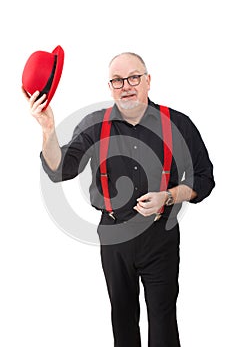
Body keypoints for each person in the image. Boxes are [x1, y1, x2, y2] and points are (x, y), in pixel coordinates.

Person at [22, 52, 215, 347]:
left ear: (148, 81)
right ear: (110, 86)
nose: (126, 86)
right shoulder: (93, 125)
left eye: (134, 77)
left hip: (160, 234)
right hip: (113, 236)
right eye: (117, 80)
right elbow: (60, 169)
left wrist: (170, 196)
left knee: (163, 322)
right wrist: (48, 130)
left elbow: (204, 178)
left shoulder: (178, 123)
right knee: (122, 320)